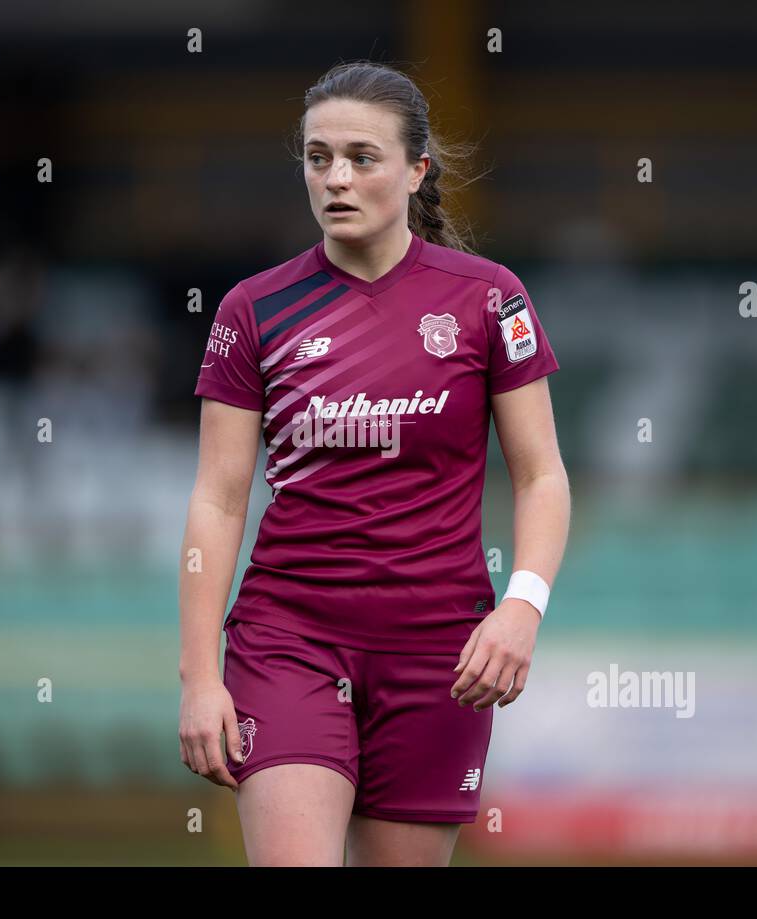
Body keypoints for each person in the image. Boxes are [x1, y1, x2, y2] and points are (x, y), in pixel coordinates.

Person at [178, 61, 571, 866]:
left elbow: (541, 477)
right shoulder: (254, 309)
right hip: (289, 639)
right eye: (319, 158)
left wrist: (522, 609)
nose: (336, 178)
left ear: (416, 169)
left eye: (362, 156)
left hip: (439, 656)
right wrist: (198, 676)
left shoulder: (489, 300)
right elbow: (218, 500)